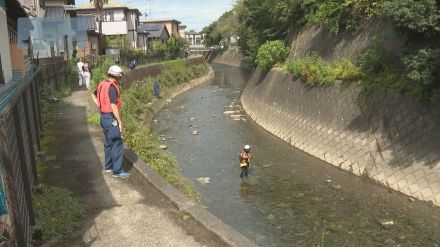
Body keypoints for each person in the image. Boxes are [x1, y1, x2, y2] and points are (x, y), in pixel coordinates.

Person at [92, 65, 130, 178]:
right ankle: (117, 171)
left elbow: (93, 96)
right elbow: (113, 105)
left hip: (103, 118)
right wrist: (119, 122)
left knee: (108, 143)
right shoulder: (112, 88)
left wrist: (100, 106)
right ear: (117, 76)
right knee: (117, 143)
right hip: (111, 118)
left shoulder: (102, 84)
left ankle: (108, 167)